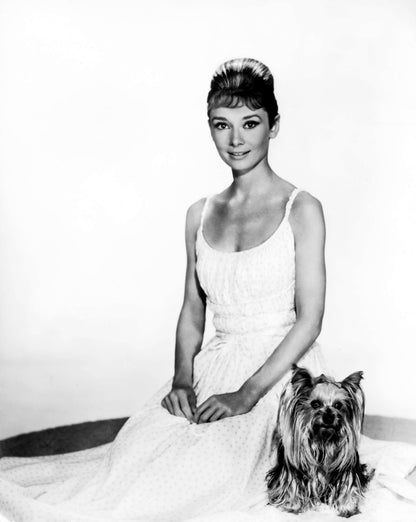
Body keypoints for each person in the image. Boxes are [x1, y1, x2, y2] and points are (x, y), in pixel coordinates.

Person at [0, 58, 415, 522]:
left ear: (273, 126)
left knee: (211, 473)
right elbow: (192, 311)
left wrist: (247, 395)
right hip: (215, 364)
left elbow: (310, 319)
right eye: (222, 125)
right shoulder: (199, 213)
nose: (235, 140)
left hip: (279, 373)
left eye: (250, 124)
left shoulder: (303, 208)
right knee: (136, 454)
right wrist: (182, 378)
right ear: (210, 129)